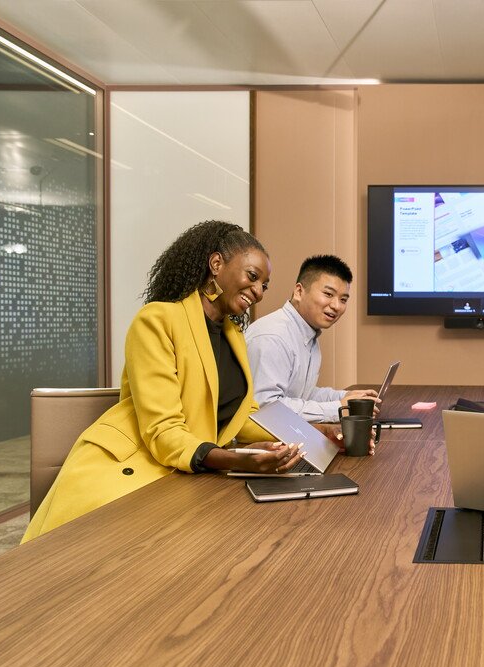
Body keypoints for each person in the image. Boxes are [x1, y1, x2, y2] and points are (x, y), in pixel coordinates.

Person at [24, 221, 306, 542]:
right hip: (128, 474)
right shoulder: (157, 319)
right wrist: (236, 459)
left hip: (184, 476)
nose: (258, 292)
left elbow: (246, 416)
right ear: (216, 264)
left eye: (265, 286)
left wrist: (316, 436)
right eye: (253, 277)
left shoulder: (234, 336)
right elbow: (164, 430)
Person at [245, 255, 377, 422]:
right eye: (328, 294)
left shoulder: (307, 333)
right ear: (299, 291)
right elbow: (267, 408)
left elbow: (303, 395)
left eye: (343, 299)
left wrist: (347, 397)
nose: (336, 306)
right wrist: (338, 408)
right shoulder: (272, 336)